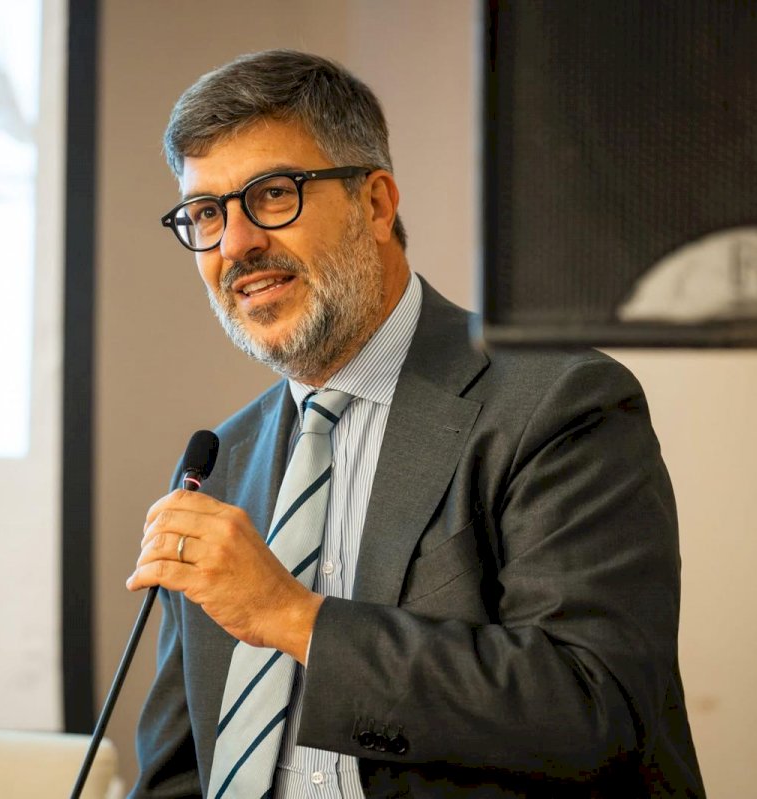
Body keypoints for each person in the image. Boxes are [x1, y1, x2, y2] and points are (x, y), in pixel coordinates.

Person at [127, 50, 704, 798]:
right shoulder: (221, 461)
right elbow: (178, 774)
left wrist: (291, 616)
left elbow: (592, 703)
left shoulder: (560, 401)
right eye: (207, 213)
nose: (236, 244)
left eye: (272, 195)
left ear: (374, 204)